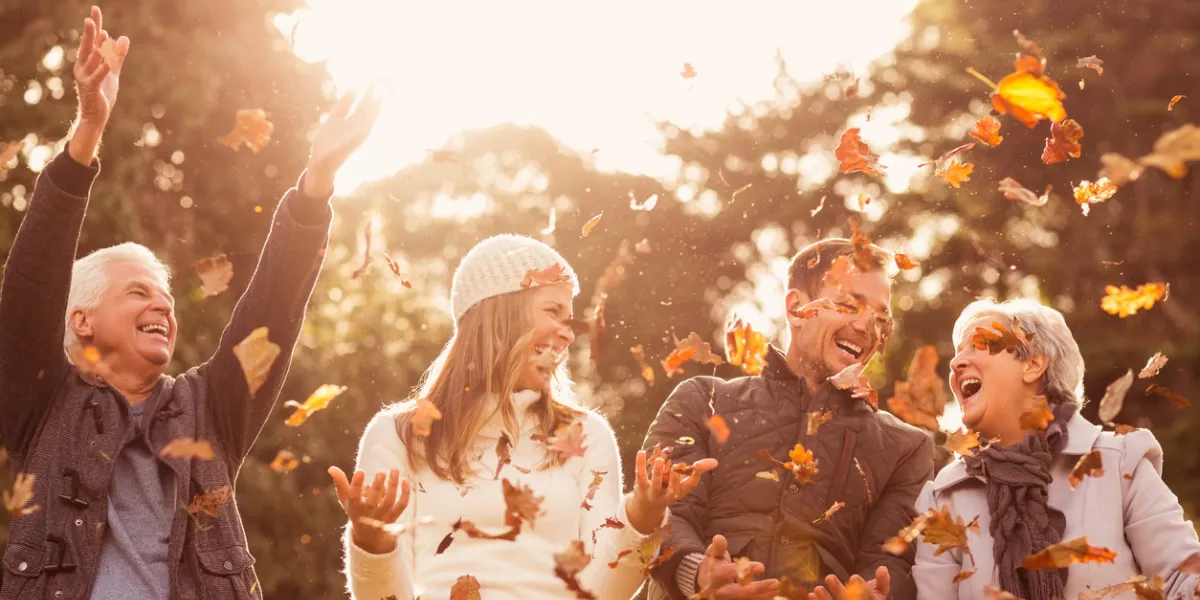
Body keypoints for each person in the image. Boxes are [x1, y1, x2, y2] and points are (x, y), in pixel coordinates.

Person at [0, 6, 378, 599]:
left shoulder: (212, 407)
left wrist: (316, 183)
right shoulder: (40, 403)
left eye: (166, 296)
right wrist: (88, 132)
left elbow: (272, 311)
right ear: (82, 320)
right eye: (137, 291)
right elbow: (27, 291)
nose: (163, 306)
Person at [331, 234, 716, 600]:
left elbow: (601, 593)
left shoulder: (586, 437)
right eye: (554, 312)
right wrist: (371, 540)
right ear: (498, 314)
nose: (568, 335)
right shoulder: (398, 435)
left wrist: (643, 515)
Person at [642, 238, 935, 600]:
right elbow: (659, 516)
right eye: (849, 305)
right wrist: (698, 575)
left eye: (880, 317)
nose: (866, 327)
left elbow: (892, 561)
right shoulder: (703, 399)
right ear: (797, 308)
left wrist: (875, 594)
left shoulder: (907, 448)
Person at [913, 298, 1200, 599]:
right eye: (958, 352)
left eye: (980, 344)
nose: (955, 363)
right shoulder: (943, 498)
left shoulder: (1118, 464)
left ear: (1033, 364)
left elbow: (1183, 576)